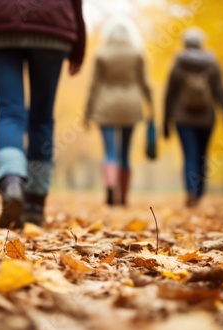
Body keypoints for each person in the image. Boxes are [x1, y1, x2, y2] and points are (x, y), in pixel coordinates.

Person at [0, 0, 85, 228]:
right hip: (52, 22)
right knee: (42, 117)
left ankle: (11, 182)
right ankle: (35, 205)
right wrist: (79, 45)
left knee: (9, 113)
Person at [85, 18, 153, 206]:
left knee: (110, 152)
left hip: (105, 105)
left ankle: (109, 188)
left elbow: (94, 85)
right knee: (125, 152)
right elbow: (145, 83)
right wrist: (151, 106)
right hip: (131, 106)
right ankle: (123, 196)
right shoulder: (138, 54)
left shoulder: (101, 54)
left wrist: (87, 112)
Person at [163, 27, 223, 207]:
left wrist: (165, 122)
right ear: (201, 43)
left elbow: (169, 94)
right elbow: (220, 90)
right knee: (202, 155)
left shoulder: (178, 63)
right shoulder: (212, 63)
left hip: (182, 117)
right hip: (206, 117)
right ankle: (199, 193)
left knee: (189, 155)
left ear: (184, 43)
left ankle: (190, 192)